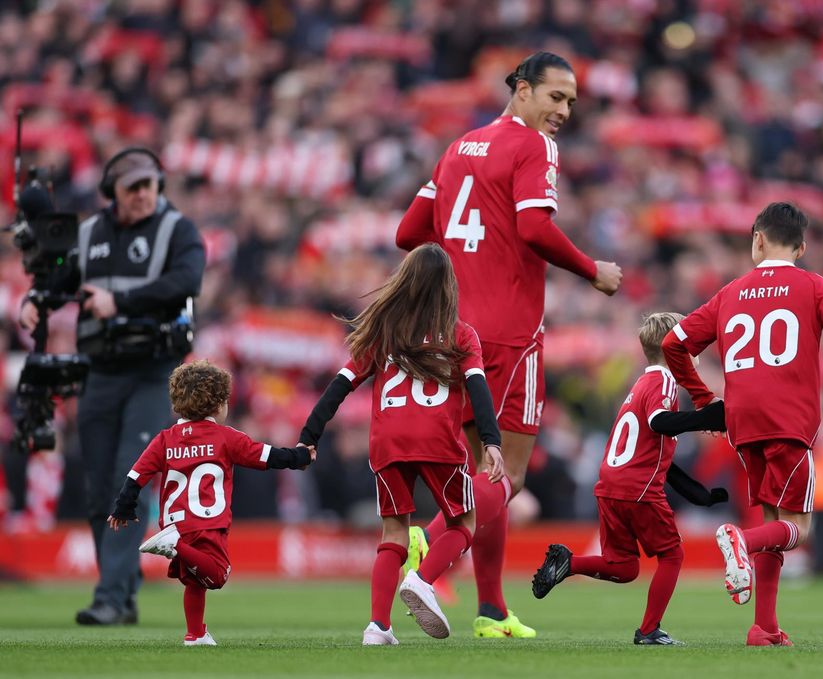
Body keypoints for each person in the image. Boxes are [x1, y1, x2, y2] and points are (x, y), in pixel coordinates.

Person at [395, 50, 623, 639]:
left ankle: (492, 610)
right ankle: (430, 567)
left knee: (478, 468)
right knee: (506, 478)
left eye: (571, 101)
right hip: (507, 335)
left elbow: (408, 233)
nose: (565, 111)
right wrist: (591, 269)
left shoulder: (457, 148)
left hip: (448, 331)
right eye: (555, 96)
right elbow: (534, 227)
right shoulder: (533, 147)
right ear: (521, 90)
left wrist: (464, 258)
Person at [661, 202, 823, 646]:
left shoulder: (730, 291)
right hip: (788, 419)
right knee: (798, 527)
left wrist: (703, 398)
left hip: (742, 421)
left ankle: (764, 627)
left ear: (757, 239)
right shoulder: (813, 285)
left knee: (775, 516)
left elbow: (674, 343)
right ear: (802, 246)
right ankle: (740, 539)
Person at [19, 147, 206, 625]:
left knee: (130, 477)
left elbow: (186, 281)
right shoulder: (90, 233)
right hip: (99, 370)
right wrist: (37, 299)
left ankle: (109, 594)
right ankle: (119, 595)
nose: (144, 194)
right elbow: (57, 280)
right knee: (100, 486)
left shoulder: (176, 230)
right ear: (113, 194)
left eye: (149, 185)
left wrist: (119, 302)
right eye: (133, 187)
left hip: (152, 371)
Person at [296, 243, 507, 645]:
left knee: (393, 533)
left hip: (388, 441)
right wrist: (492, 442)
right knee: (466, 522)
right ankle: (423, 580)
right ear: (448, 286)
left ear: (405, 282)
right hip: (438, 441)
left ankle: (378, 627)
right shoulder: (461, 334)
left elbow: (338, 387)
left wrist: (310, 435)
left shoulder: (384, 332)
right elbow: (479, 392)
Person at [531, 312, 729, 646]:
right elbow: (659, 422)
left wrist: (700, 495)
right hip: (637, 489)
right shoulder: (664, 382)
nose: (693, 352)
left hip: (611, 487)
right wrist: (708, 416)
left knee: (623, 567)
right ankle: (650, 630)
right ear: (673, 348)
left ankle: (570, 562)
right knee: (672, 555)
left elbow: (655, 453)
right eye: (689, 343)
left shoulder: (640, 384)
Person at [107, 360, 314, 646]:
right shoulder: (225, 437)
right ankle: (172, 545)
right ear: (218, 405)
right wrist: (300, 457)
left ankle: (196, 634)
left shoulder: (166, 439)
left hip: (175, 521)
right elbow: (267, 456)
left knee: (194, 582)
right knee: (218, 575)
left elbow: (136, 475)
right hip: (206, 522)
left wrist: (123, 507)